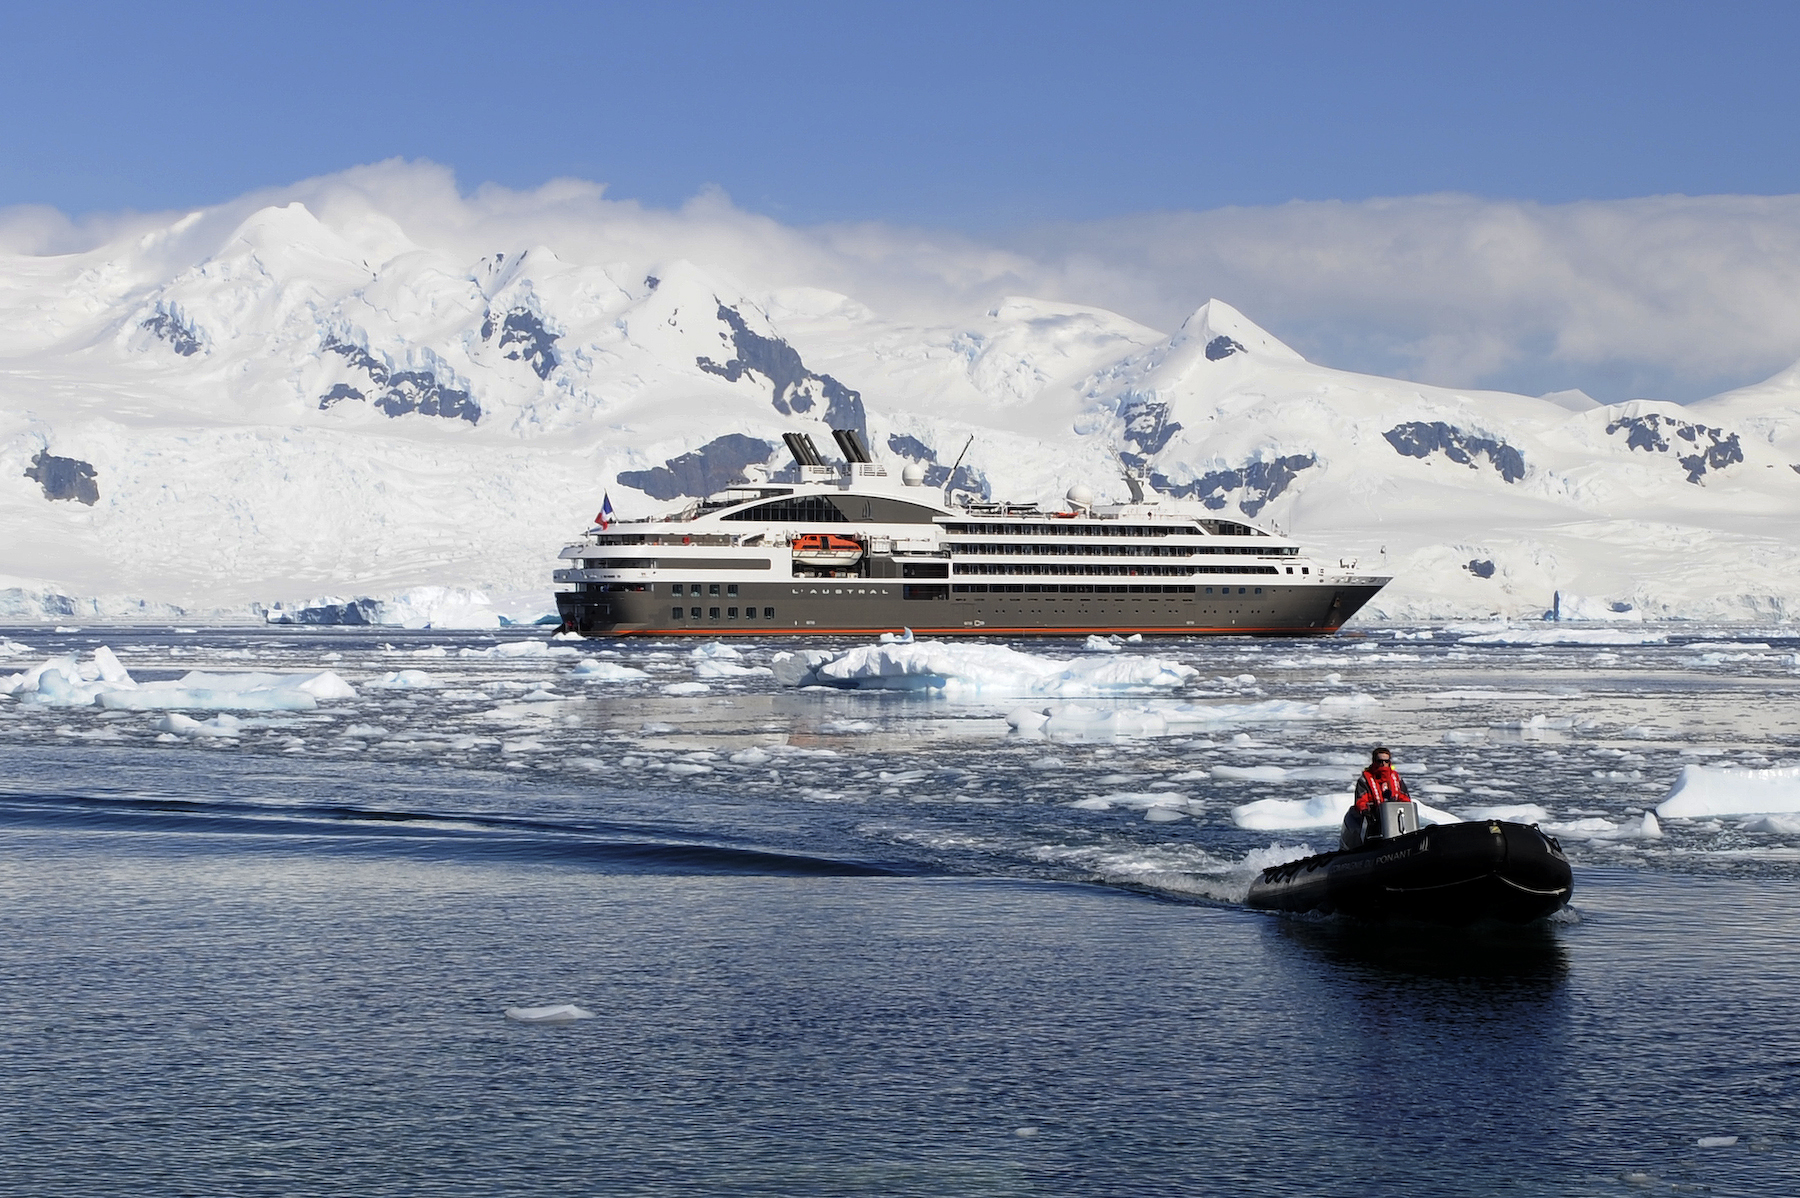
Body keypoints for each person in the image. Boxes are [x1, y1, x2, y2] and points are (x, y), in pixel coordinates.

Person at [1340, 746, 1412, 850]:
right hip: (1374, 819)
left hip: (1394, 818)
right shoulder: (1364, 780)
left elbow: (1404, 797)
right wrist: (1365, 810)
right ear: (1374, 762)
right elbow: (1361, 800)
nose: (1383, 764)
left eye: (1386, 761)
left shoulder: (1396, 779)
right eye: (1380, 761)